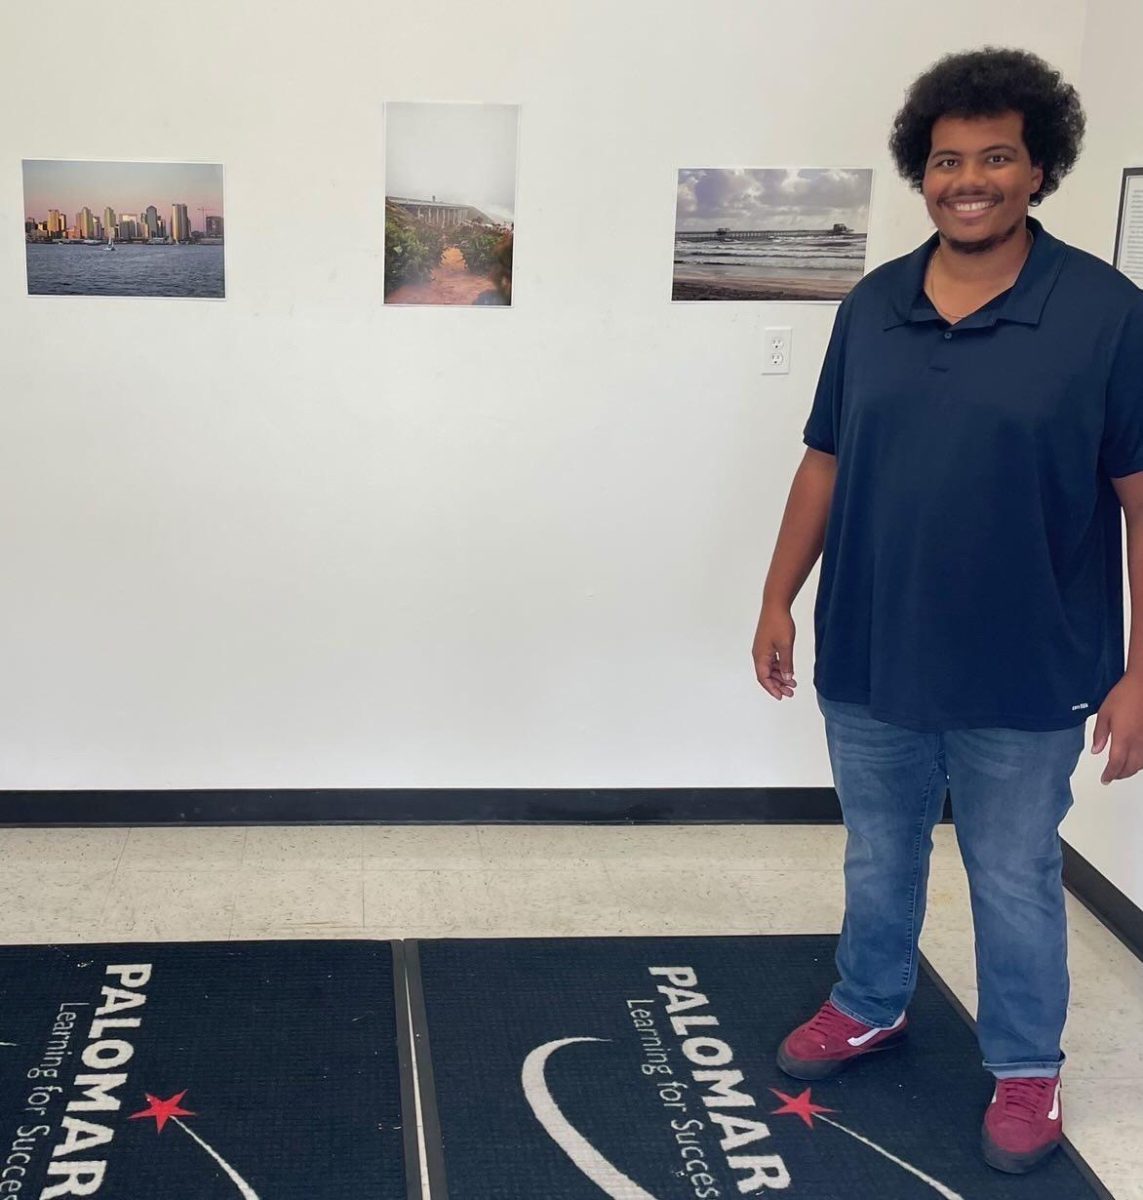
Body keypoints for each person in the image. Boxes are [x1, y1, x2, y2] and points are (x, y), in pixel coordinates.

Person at [751, 46, 1143, 1176]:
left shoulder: (1108, 316)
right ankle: (870, 1002)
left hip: (1027, 673)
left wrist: (1142, 669)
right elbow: (825, 461)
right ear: (921, 175)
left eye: (996, 157)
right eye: (946, 161)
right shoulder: (875, 304)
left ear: (1039, 170)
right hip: (872, 654)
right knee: (878, 857)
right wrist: (778, 597)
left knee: (1013, 874)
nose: (968, 178)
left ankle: (1026, 1067)